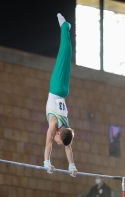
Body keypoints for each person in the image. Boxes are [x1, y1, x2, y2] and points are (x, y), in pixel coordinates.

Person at [44, 13, 78, 177]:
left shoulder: (66, 129)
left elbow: (68, 146)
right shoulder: (54, 125)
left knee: (67, 57)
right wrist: (46, 163)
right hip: (57, 87)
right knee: (62, 55)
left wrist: (72, 166)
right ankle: (64, 26)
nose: (58, 143)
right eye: (59, 140)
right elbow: (48, 144)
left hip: (64, 90)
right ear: (58, 133)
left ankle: (67, 29)